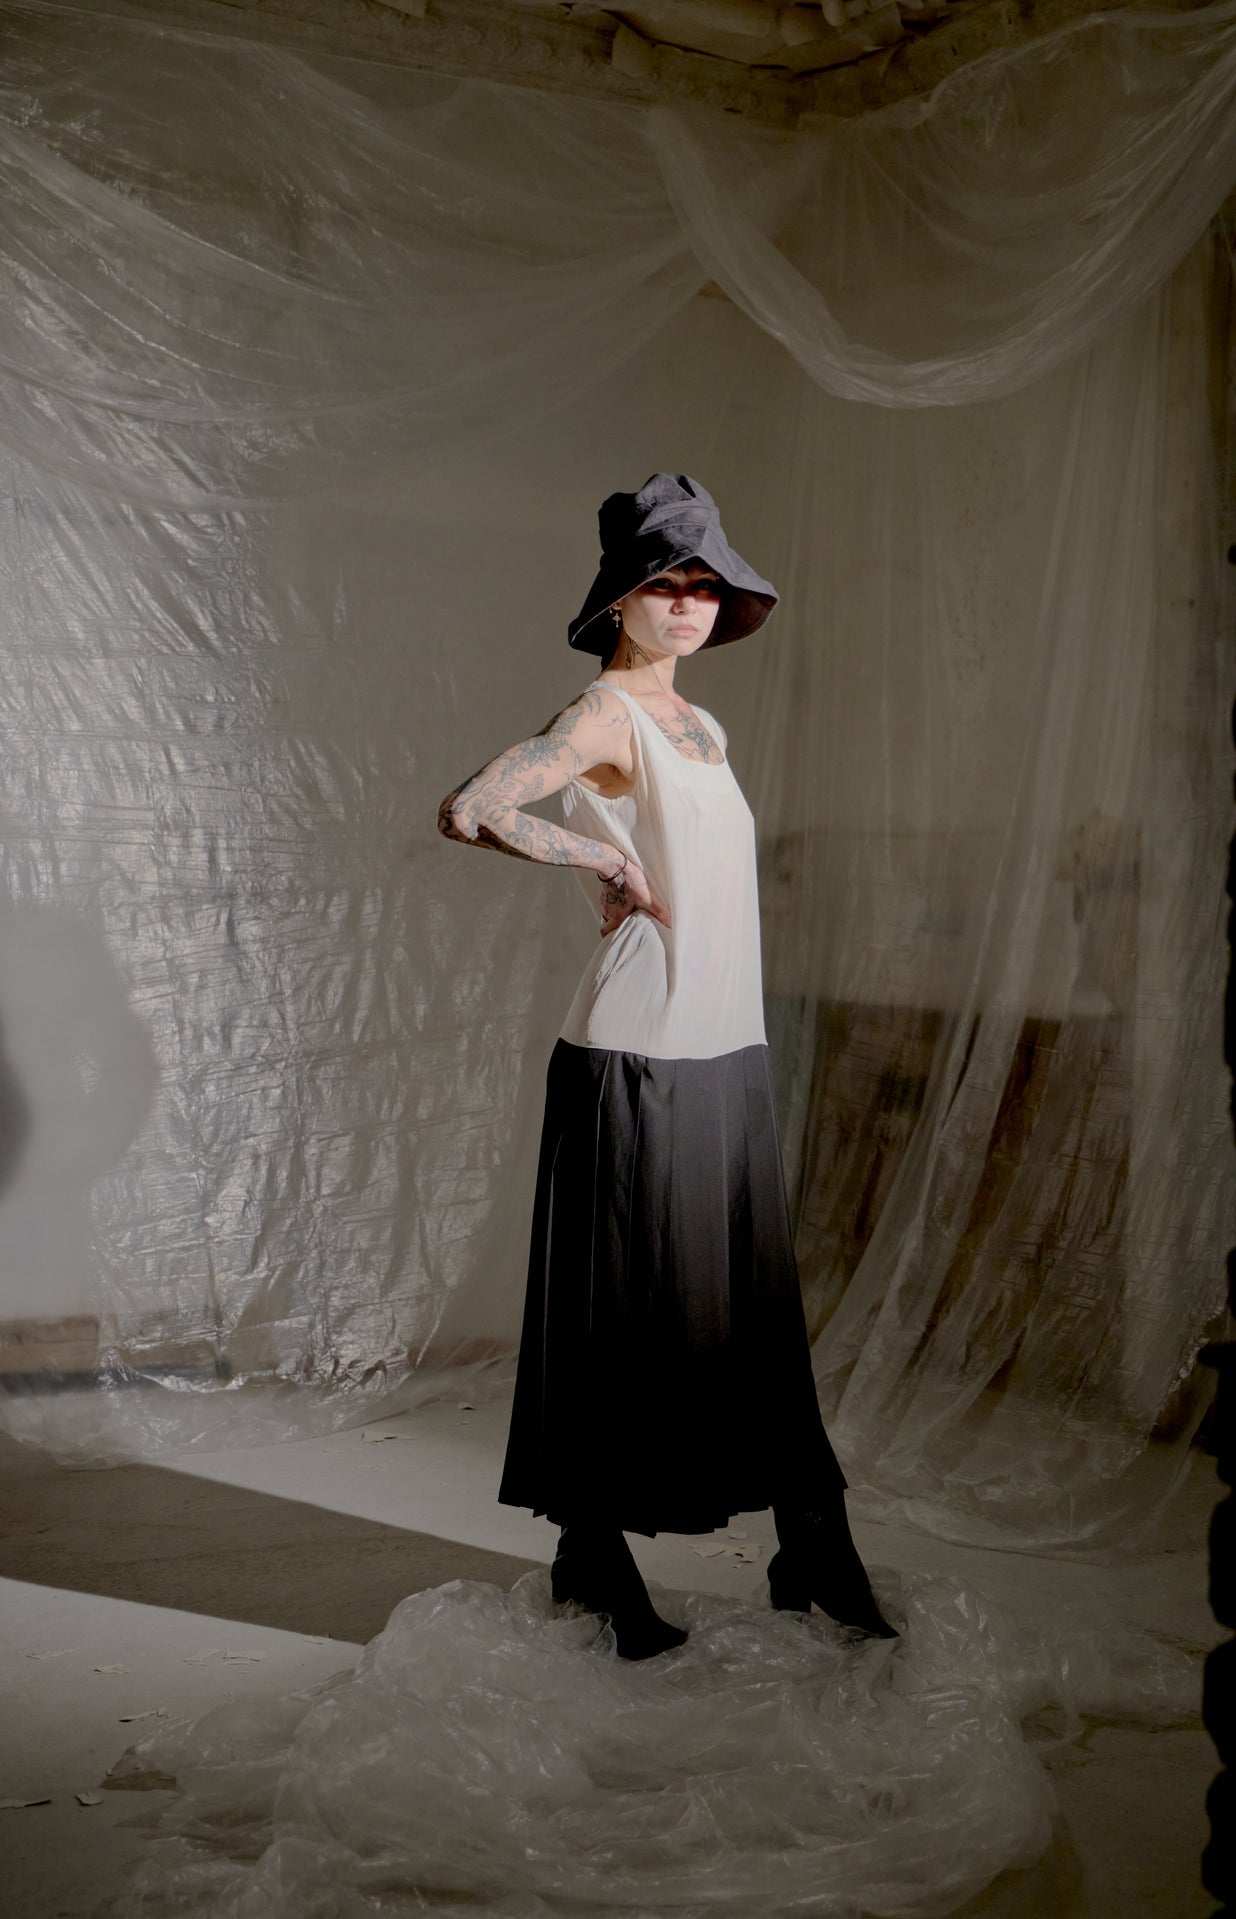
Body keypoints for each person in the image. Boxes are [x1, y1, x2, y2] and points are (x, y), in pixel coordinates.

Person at [438, 473, 895, 1658]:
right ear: (621, 601)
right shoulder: (605, 713)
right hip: (637, 1052)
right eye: (665, 584)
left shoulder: (703, 725)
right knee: (625, 1315)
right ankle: (595, 1551)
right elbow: (474, 803)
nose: (687, 605)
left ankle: (812, 1539)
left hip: (721, 1044)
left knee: (747, 1307)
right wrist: (597, 862)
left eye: (705, 586)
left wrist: (612, 857)